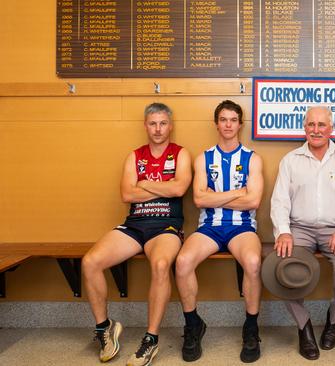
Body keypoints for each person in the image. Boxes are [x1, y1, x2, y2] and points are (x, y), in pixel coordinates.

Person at [82, 103, 192, 366]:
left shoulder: (181, 154)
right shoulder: (135, 156)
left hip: (166, 226)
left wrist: (144, 183)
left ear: (170, 125)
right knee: (90, 262)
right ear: (145, 125)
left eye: (163, 123)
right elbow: (126, 195)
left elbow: (179, 189)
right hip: (134, 226)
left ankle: (151, 340)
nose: (157, 129)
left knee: (161, 264)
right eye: (152, 123)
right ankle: (104, 328)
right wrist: (161, 187)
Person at [270, 106, 335, 360]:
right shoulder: (290, 161)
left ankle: (334, 319)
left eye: (321, 125)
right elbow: (279, 201)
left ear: (331, 128)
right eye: (311, 124)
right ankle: (304, 326)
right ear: (304, 128)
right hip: (298, 229)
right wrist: (283, 232)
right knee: (277, 266)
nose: (316, 130)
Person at [174, 100, 264, 363]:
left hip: (242, 227)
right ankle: (192, 325)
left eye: (233, 120)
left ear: (240, 124)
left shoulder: (252, 158)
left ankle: (251, 327)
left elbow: (253, 202)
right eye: (223, 119)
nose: (228, 124)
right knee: (182, 261)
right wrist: (238, 192)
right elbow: (200, 200)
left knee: (253, 261)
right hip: (210, 228)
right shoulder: (203, 158)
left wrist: (218, 196)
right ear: (217, 124)